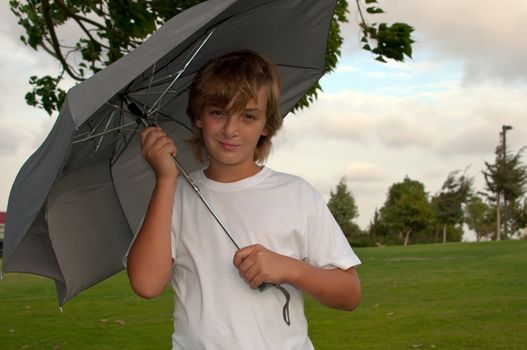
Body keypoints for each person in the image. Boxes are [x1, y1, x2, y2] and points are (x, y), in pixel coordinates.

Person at [126, 50, 362, 350]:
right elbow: (146, 284)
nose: (230, 129)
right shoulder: (174, 195)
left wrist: (289, 268)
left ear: (267, 124)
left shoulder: (297, 194)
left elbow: (350, 293)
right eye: (218, 112)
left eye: (248, 116)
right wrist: (165, 179)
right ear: (198, 116)